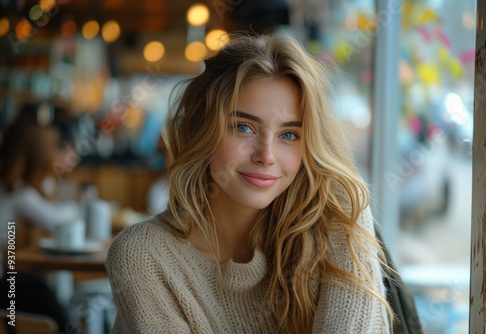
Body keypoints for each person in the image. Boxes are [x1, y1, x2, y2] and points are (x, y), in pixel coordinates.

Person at [106, 32, 392, 333]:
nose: (266, 155)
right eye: (243, 127)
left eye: (289, 134)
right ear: (201, 131)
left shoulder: (338, 212)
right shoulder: (142, 255)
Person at [0, 112, 80, 333]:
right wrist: (79, 207)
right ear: (37, 156)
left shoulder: (10, 187)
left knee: (39, 288)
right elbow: (56, 222)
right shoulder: (19, 193)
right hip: (4, 286)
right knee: (40, 291)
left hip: (7, 278)